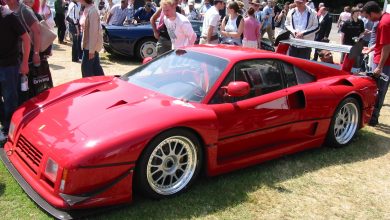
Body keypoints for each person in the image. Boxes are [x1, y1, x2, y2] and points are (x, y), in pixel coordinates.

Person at [0, 4, 30, 141]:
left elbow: (26, 38)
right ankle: (5, 126)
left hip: (9, 67)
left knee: (10, 99)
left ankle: (9, 130)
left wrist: (25, 62)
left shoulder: (10, 16)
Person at [361, 1, 390, 126]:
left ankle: (373, 118)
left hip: (384, 63)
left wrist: (379, 67)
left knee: (378, 90)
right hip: (381, 60)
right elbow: (382, 42)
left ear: (372, 13)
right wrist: (371, 48)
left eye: (367, 17)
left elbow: (387, 46)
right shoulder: (386, 18)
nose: (368, 19)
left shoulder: (384, 23)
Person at [80, 0, 104, 77]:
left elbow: (94, 32)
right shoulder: (86, 9)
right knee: (96, 69)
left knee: (86, 70)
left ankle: (92, 87)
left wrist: (91, 50)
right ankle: (104, 86)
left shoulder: (93, 11)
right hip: (87, 44)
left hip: (90, 46)